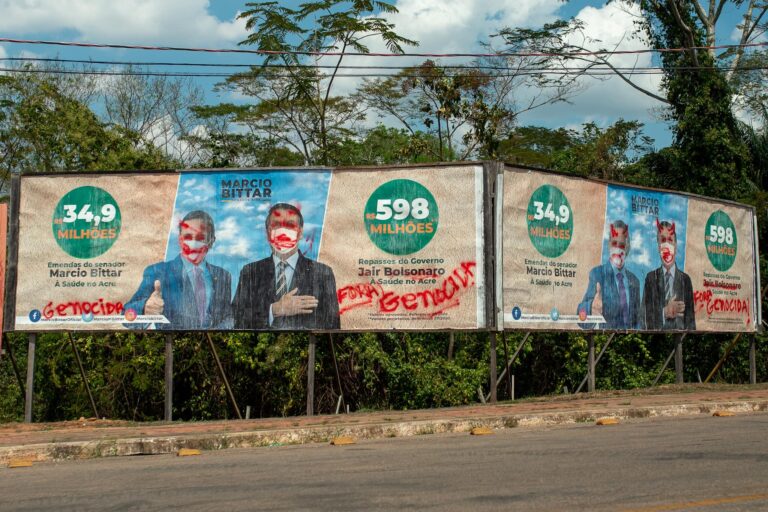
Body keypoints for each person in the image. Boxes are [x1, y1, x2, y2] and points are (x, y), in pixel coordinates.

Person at [233, 202, 339, 330]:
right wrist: (275, 309)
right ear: (268, 233)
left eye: (290, 225)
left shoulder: (322, 273)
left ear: (300, 233)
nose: (283, 231)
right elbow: (237, 320)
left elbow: (332, 326)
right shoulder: (250, 272)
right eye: (277, 225)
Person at [125, 210, 232, 330]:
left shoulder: (223, 276)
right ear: (180, 240)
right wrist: (144, 309)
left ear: (212, 241)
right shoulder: (158, 272)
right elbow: (126, 314)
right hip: (171, 345)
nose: (193, 243)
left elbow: (227, 316)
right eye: (187, 237)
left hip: (211, 345)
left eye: (201, 238)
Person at [577, 220, 643, 330]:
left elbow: (637, 319)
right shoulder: (598, 274)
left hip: (632, 343)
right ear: (608, 245)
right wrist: (590, 309)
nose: (618, 249)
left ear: (627, 248)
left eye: (622, 245)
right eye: (614, 243)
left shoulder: (634, 281)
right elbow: (580, 316)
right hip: (607, 342)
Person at [643, 219, 695, 330]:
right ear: (658, 247)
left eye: (670, 240)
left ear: (675, 246)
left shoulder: (685, 280)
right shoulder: (650, 278)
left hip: (680, 341)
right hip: (655, 340)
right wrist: (665, 312)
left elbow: (691, 323)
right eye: (662, 240)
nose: (666, 245)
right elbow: (644, 318)